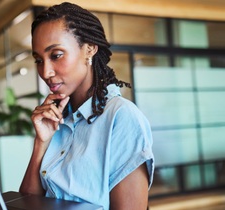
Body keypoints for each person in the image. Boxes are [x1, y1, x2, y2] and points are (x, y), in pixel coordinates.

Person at [19, 2, 154, 209]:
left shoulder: (122, 117)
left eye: (56, 55)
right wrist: (41, 143)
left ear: (89, 49)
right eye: (39, 60)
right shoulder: (56, 119)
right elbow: (27, 203)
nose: (45, 72)